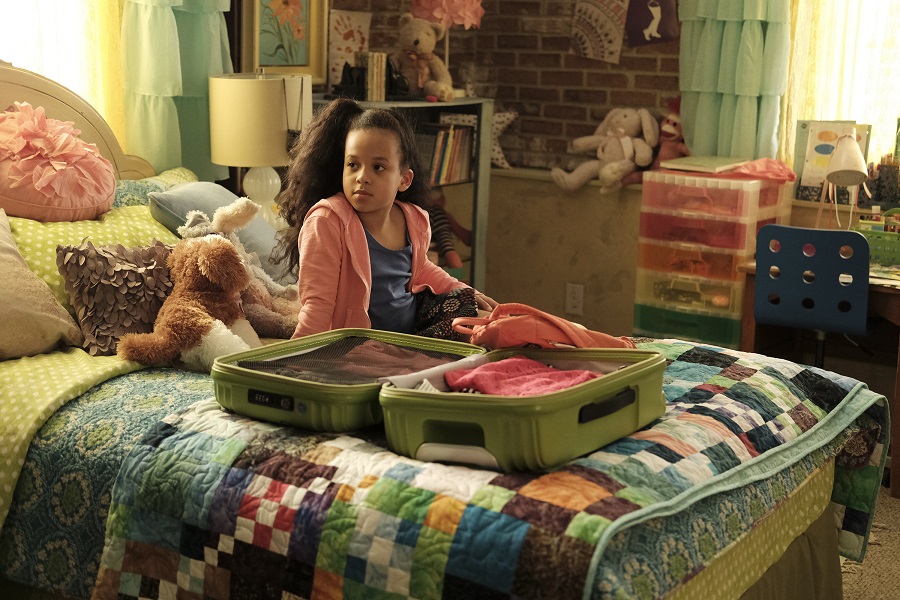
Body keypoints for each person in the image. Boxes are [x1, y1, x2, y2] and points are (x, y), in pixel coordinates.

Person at [273, 98, 497, 339]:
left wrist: (465, 291)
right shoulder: (326, 221)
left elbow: (421, 268)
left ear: (404, 180)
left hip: (412, 332)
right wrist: (299, 354)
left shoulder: (412, 218)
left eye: (378, 167)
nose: (362, 177)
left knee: (483, 318)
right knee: (475, 334)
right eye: (353, 164)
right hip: (360, 343)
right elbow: (318, 303)